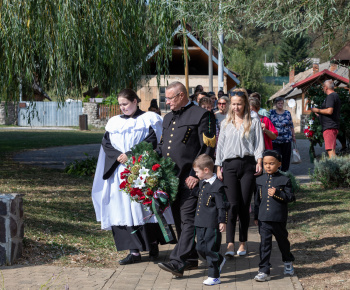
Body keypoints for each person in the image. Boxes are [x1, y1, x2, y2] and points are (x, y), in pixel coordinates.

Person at [91, 88, 174, 265]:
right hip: (119, 172)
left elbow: (153, 141)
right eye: (120, 104)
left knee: (144, 208)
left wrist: (131, 154)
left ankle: (152, 245)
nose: (122, 107)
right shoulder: (113, 122)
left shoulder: (149, 119)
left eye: (125, 104)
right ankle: (133, 251)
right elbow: (106, 144)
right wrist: (119, 156)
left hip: (142, 170)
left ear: (135, 101)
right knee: (121, 209)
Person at [157, 81, 216, 278]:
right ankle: (190, 258)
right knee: (180, 221)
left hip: (190, 178)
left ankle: (177, 261)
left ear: (182, 96)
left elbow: (207, 148)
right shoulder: (167, 118)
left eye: (170, 98)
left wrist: (195, 174)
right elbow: (163, 146)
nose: (167, 102)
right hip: (171, 180)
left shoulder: (202, 115)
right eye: (166, 98)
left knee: (188, 219)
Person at [215, 88, 264, 258]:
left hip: (248, 165)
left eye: (239, 104)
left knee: (244, 205)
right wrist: (217, 166)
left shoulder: (254, 122)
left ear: (245, 105)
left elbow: (259, 143)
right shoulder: (225, 123)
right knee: (232, 205)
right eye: (233, 104)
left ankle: (242, 242)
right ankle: (229, 243)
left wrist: (259, 161)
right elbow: (220, 146)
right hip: (229, 165)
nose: (236, 107)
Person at [254, 150, 295, 282]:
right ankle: (264, 270)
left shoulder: (284, 179)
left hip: (278, 218)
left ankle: (288, 261)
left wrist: (278, 193)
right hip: (263, 219)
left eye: (271, 163)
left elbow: (291, 197)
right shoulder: (259, 180)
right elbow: (257, 201)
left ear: (279, 164)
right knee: (264, 245)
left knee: (282, 242)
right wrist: (256, 216)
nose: (268, 166)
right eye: (265, 163)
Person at [192, 154, 227, 286]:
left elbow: (221, 205)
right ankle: (220, 259)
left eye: (197, 171)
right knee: (200, 248)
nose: (196, 174)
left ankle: (214, 276)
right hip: (200, 221)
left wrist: (222, 221)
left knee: (211, 249)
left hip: (212, 223)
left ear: (206, 170)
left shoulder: (218, 186)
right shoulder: (202, 183)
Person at [311, 80, 341, 157]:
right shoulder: (335, 95)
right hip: (332, 126)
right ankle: (335, 167)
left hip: (329, 127)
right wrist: (319, 114)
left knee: (330, 151)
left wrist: (317, 110)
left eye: (323, 86)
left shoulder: (331, 96)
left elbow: (329, 111)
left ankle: (334, 168)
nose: (323, 88)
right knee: (332, 150)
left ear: (326, 87)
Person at [269, 97, 296, 172]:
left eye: (281, 103)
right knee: (275, 157)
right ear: (275, 104)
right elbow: (268, 124)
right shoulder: (271, 112)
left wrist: (293, 136)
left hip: (286, 139)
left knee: (286, 157)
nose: (280, 105)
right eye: (278, 103)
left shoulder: (287, 113)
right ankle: (276, 171)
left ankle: (285, 172)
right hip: (275, 139)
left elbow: (291, 125)